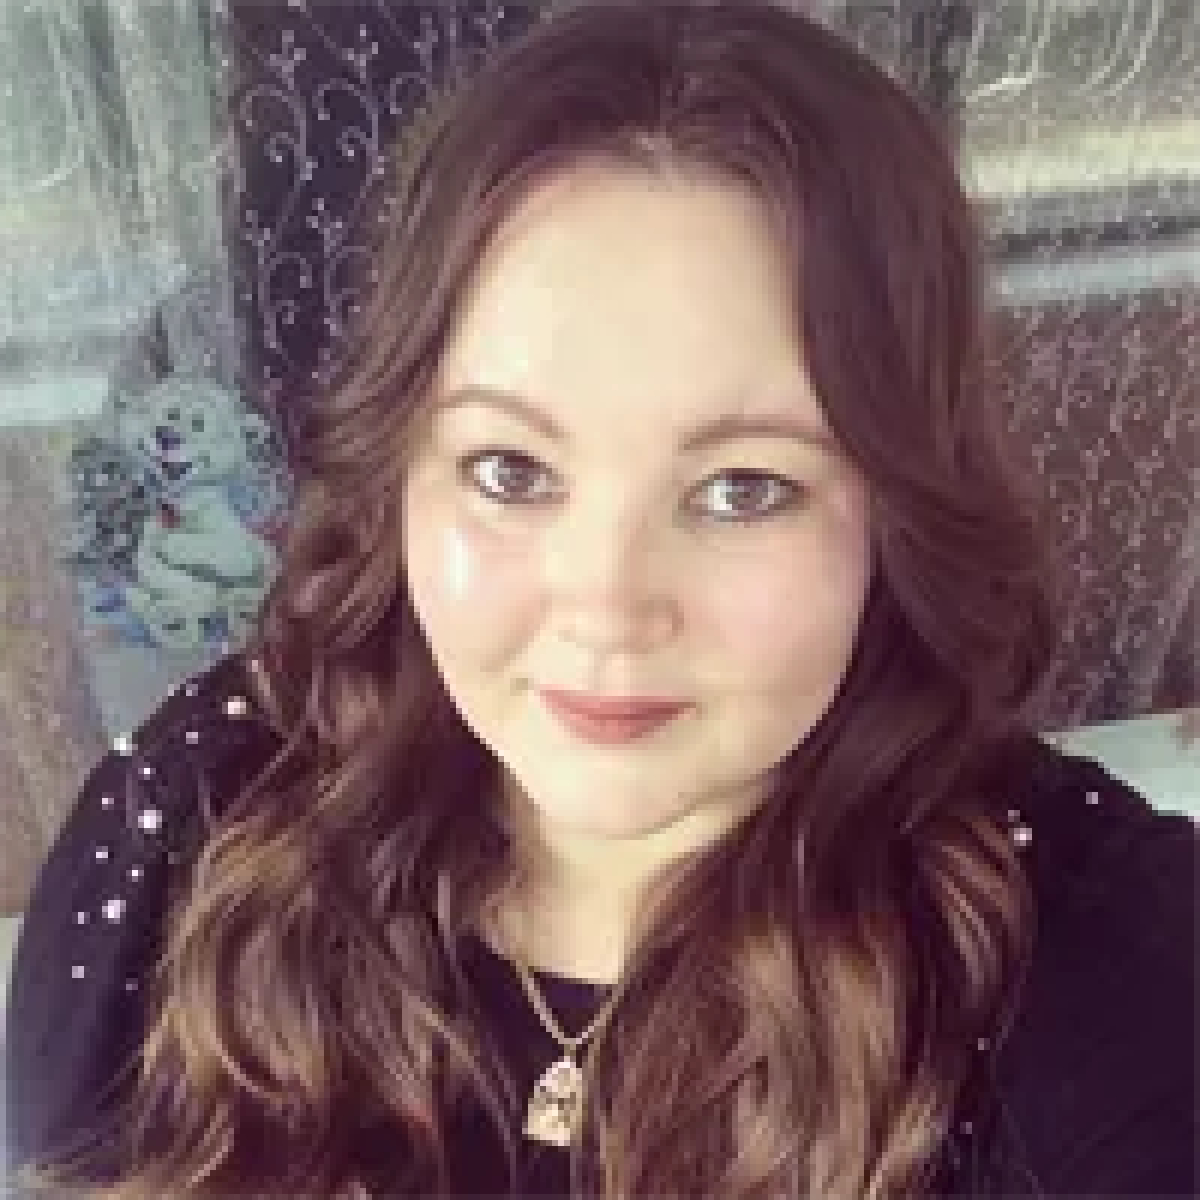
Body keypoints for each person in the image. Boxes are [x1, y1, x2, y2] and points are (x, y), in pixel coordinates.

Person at [5, 2, 1196, 1197]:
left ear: (895, 505)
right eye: (510, 471)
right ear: (398, 470)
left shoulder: (1104, 964)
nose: (608, 610)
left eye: (743, 489)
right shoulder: (193, 830)